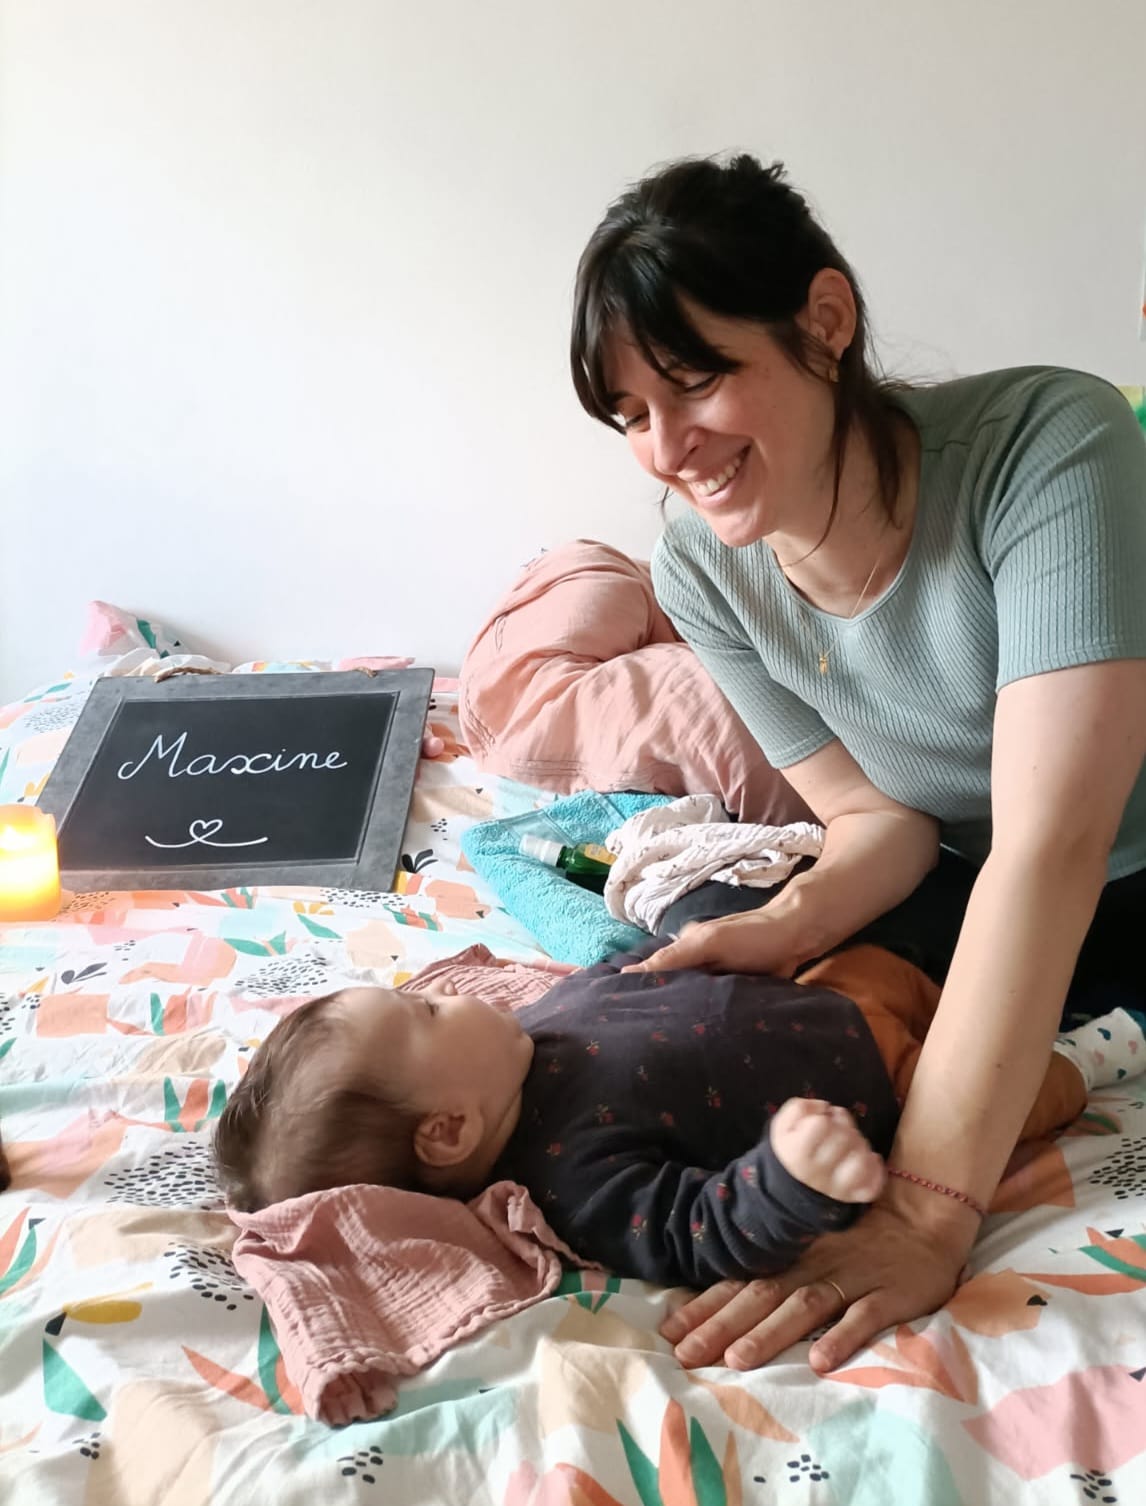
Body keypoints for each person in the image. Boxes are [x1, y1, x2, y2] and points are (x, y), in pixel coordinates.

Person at [569, 152, 1146, 1372]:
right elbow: (873, 815)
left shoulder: (1048, 445)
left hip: (1113, 869)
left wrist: (928, 1208)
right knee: (709, 947)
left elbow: (1054, 846)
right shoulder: (701, 567)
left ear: (824, 324)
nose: (669, 448)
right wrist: (791, 920)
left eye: (696, 381)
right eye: (632, 417)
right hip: (979, 865)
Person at [212, 944, 1144, 1303]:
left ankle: (1024, 990)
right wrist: (787, 1176)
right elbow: (697, 1231)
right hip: (893, 1088)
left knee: (934, 971)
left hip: (832, 994)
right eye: (423, 1018)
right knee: (1026, 1092)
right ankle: (1104, 1048)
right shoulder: (572, 1179)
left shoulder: (520, 1035)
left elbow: (613, 985)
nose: (445, 998)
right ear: (449, 1132)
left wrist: (650, 947)